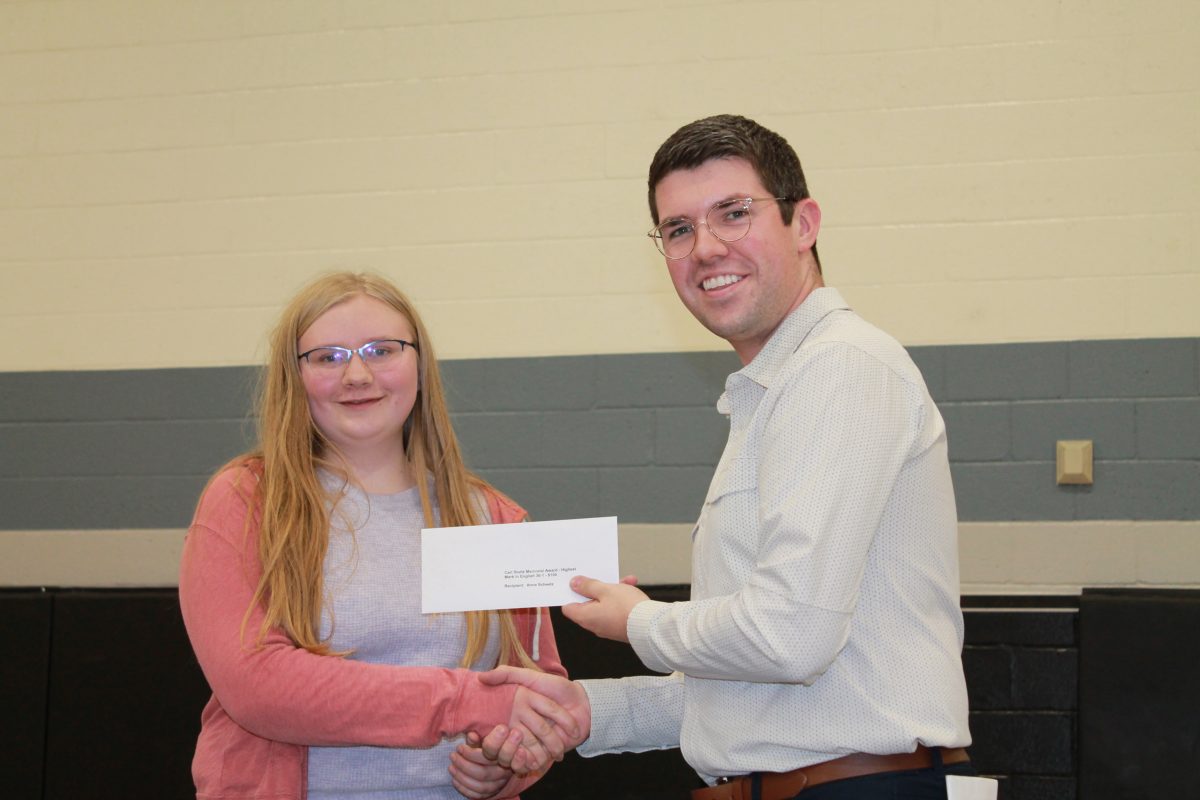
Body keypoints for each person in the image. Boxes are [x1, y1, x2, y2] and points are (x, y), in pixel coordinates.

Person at [481, 114, 975, 799]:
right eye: (678, 229)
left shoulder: (840, 368)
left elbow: (790, 636)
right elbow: (755, 685)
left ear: (804, 224)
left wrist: (637, 621)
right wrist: (587, 711)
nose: (706, 248)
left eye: (734, 213)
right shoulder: (776, 389)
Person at [179, 271, 580, 800]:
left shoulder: (490, 516)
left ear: (419, 362)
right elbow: (255, 685)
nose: (357, 375)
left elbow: (537, 697)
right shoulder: (247, 500)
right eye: (327, 357)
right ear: (294, 375)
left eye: (381, 350)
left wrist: (508, 766)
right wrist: (463, 702)